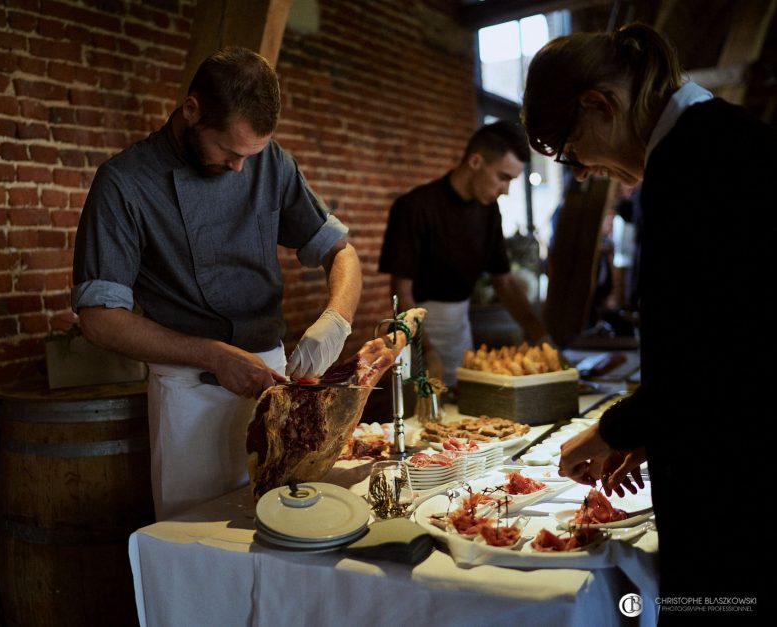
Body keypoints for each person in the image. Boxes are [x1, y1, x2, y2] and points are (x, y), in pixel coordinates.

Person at [522, 22, 774, 618]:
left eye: (567, 149)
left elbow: (721, 353)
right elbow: (704, 332)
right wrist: (651, 426)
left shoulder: (695, 166)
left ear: (600, 104)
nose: (579, 172)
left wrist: (616, 427)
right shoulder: (714, 142)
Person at [71, 47, 362, 520]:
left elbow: (341, 252)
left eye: (252, 154)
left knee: (283, 534)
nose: (239, 168)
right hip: (188, 391)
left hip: (272, 378)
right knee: (199, 548)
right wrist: (212, 354)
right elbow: (98, 320)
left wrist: (337, 319)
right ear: (192, 110)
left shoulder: (271, 162)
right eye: (229, 151)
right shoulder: (124, 183)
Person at [378, 122, 547, 390]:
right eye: (503, 178)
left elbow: (505, 282)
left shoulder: (488, 211)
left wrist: (540, 335)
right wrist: (428, 352)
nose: (506, 190)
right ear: (475, 161)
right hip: (417, 340)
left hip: (460, 336)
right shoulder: (414, 207)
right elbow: (402, 295)